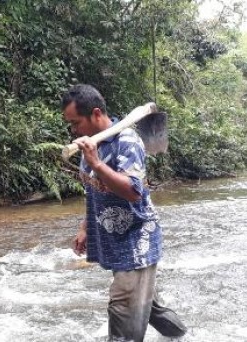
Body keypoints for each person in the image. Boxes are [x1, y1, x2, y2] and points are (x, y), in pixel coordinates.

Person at [63, 84, 187, 342]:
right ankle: (185, 336)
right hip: (114, 239)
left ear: (96, 114)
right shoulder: (89, 150)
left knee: (122, 309)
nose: (73, 131)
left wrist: (97, 162)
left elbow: (133, 191)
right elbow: (94, 191)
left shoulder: (126, 142)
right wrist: (85, 227)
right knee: (150, 309)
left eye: (76, 123)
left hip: (137, 239)